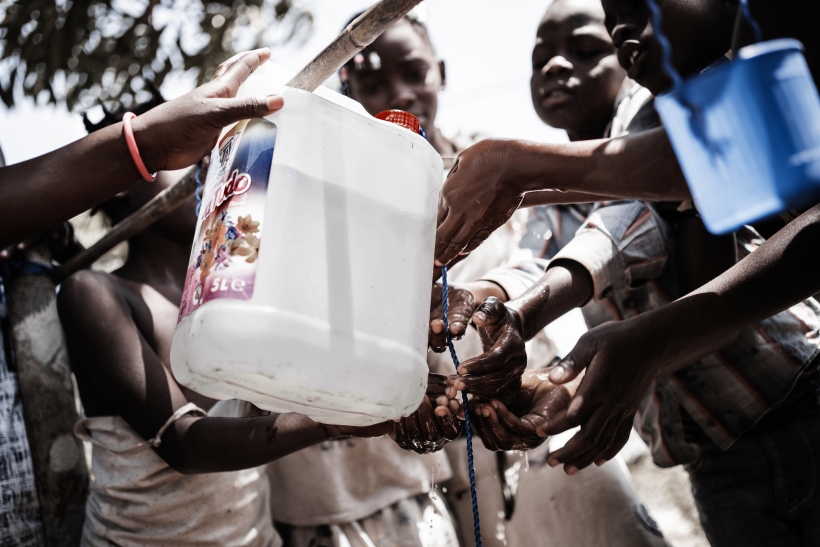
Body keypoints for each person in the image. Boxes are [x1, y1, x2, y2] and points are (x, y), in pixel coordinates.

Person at [443, 1, 820, 544]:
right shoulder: (552, 196)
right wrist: (488, 299)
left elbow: (634, 215)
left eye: (586, 48)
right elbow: (534, 258)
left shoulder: (658, 105)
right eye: (611, 10)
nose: (623, 24)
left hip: (794, 399)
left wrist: (519, 166)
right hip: (712, 460)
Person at [57, 96, 460, 545]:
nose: (210, 166)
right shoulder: (94, 295)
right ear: (120, 181)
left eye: (217, 153)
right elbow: (185, 446)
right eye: (183, 156)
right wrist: (337, 419)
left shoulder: (247, 290)